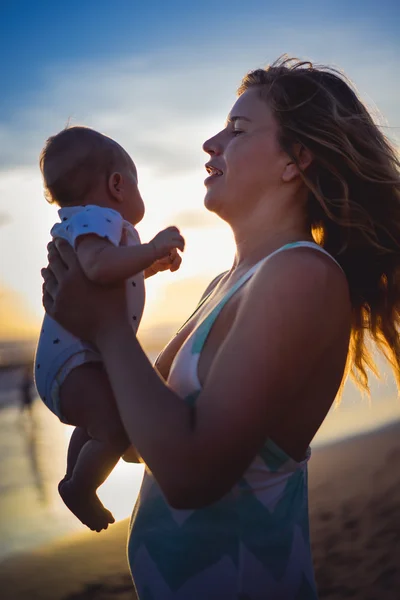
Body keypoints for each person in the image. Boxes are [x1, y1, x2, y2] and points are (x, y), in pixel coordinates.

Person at [41, 57, 400, 599]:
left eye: (237, 130)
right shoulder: (226, 283)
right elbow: (149, 442)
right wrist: (83, 331)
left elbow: (191, 477)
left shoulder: (302, 275)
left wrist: (109, 326)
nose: (211, 143)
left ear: (295, 160)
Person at [34, 126, 185, 532]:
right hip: (75, 361)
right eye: (136, 184)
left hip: (73, 360)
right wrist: (152, 247)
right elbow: (100, 268)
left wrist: (147, 265)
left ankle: (73, 479)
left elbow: (108, 277)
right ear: (117, 184)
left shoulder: (88, 224)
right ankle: (80, 486)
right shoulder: (99, 218)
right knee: (114, 429)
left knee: (98, 423)